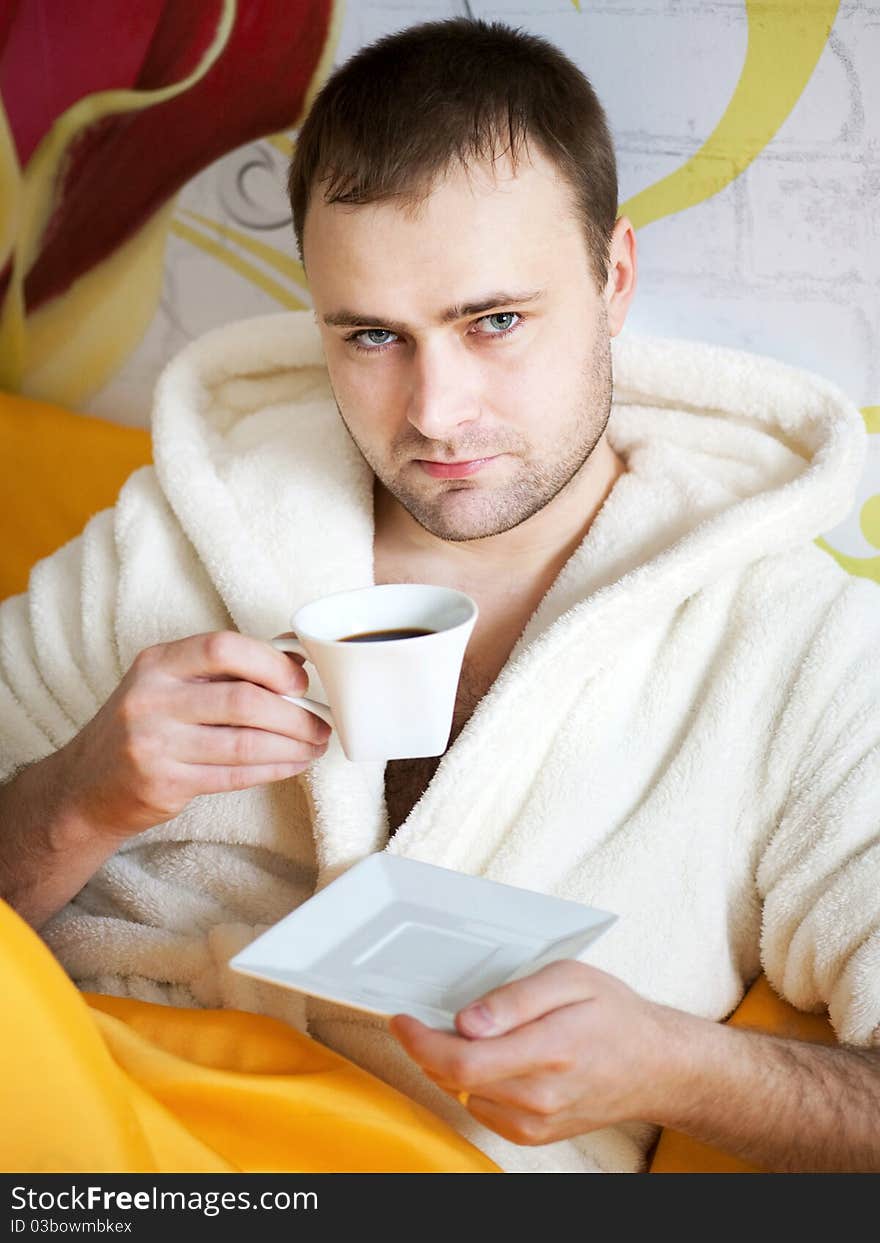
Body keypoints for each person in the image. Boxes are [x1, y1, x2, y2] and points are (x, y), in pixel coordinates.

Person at [1, 17, 878, 1174]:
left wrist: (679, 1067)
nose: (433, 412)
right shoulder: (182, 530)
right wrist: (80, 797)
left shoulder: (794, 643)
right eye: (373, 337)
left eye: (495, 322)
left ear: (613, 279)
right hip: (86, 1093)